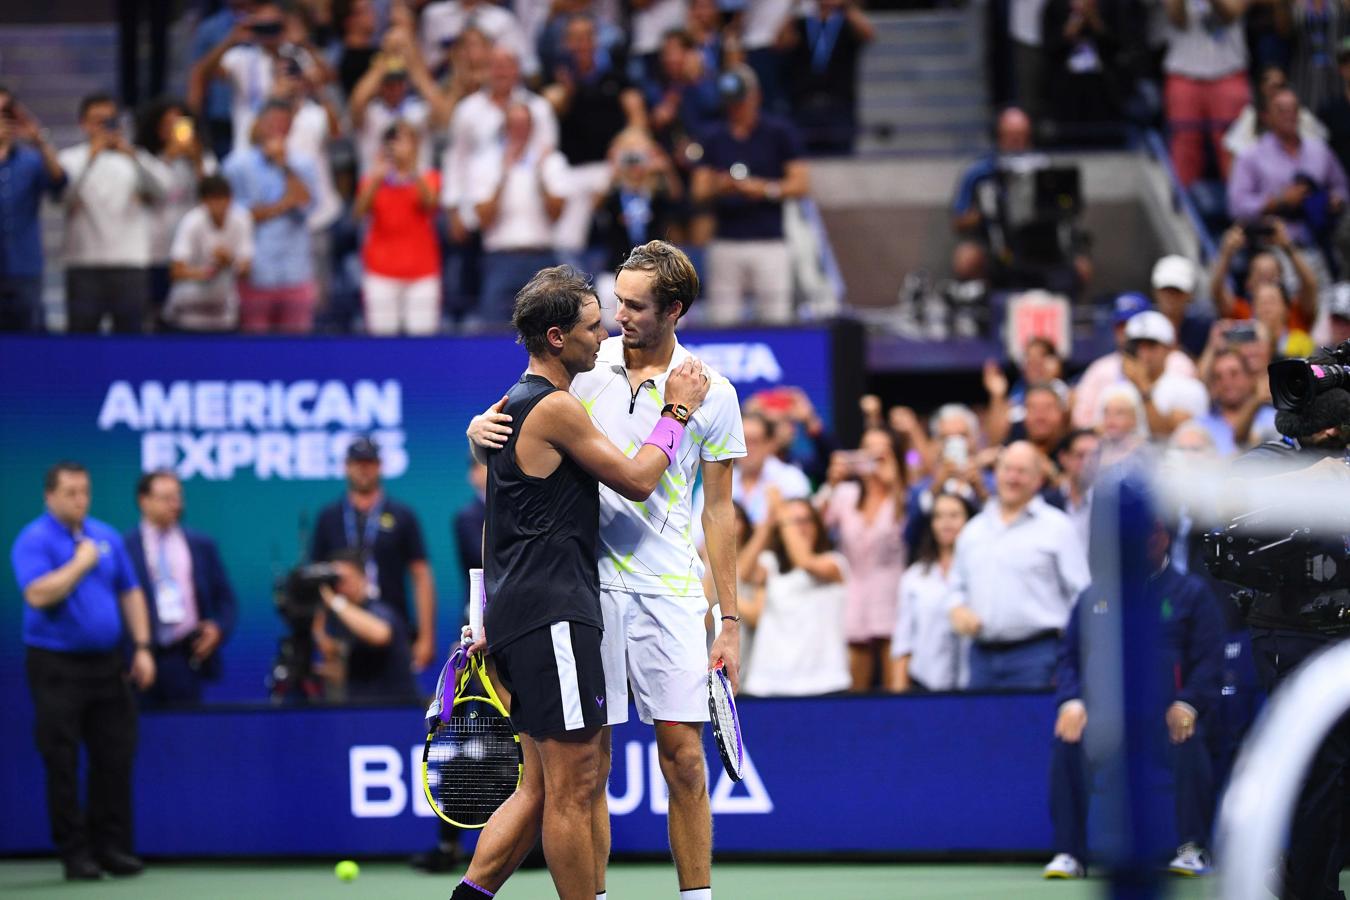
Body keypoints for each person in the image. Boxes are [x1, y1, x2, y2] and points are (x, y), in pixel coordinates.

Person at [467, 242, 745, 900]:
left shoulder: (712, 392)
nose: (619, 317)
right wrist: (475, 430)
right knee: (584, 772)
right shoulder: (584, 365)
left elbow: (719, 511)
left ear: (674, 310)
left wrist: (729, 619)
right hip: (584, 593)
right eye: (616, 302)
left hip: (668, 593)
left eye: (635, 305)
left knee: (683, 760)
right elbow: (513, 445)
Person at [1041, 521, 1225, 879]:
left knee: (1190, 738)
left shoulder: (1191, 593)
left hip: (1166, 717)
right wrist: (1071, 701)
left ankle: (1193, 848)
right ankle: (1069, 853)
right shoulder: (1093, 597)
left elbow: (1210, 660)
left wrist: (1188, 703)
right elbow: (1069, 658)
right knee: (1067, 742)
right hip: (1106, 720)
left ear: (1163, 538)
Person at [1226, 377, 1350, 900]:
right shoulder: (1270, 460)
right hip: (1290, 632)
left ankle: (1305, 876)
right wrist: (1308, 481)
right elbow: (1224, 506)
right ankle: (1307, 885)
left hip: (1342, 631)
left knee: (1337, 768)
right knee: (1322, 763)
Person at [11, 462, 155, 881]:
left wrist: (142, 647)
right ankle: (75, 853)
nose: (80, 500)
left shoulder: (106, 535)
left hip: (107, 664)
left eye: (85, 492)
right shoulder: (34, 539)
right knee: (61, 758)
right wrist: (80, 563)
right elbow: (37, 594)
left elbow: (129, 591)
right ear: (49, 496)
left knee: (115, 755)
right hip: (56, 665)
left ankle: (110, 846)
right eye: (70, 492)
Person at [947, 441, 1090, 690]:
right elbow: (955, 587)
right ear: (996, 474)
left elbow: (1082, 593)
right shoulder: (974, 530)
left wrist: (1075, 653)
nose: (1012, 478)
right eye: (1007, 469)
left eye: (1022, 471)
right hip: (981, 656)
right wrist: (957, 608)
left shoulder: (1057, 527)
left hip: (1039, 655)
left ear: (1038, 479)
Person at [691, 64, 810, 324]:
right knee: (722, 320)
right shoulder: (714, 135)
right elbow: (699, 189)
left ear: (755, 96)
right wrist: (721, 186)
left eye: (741, 101)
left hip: (769, 240)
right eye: (731, 102)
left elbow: (801, 184)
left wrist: (764, 189)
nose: (736, 108)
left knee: (776, 318)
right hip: (726, 240)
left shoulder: (778, 132)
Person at [310, 435, 437, 672]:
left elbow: (421, 576)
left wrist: (426, 637)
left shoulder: (402, 516)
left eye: (369, 463)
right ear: (346, 467)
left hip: (393, 625)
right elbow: (316, 582)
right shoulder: (329, 518)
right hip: (342, 629)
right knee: (344, 693)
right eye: (357, 463)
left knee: (396, 691)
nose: (363, 469)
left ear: (379, 466)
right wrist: (318, 632)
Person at [123, 470, 237, 706]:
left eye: (178, 497)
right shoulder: (125, 548)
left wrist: (218, 628)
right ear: (144, 501)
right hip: (141, 657)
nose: (175, 505)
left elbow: (225, 599)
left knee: (188, 724)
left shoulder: (201, 544)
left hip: (186, 657)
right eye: (166, 498)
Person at [59, 93, 169, 333]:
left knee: (130, 340)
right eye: (97, 121)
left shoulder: (134, 158)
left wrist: (131, 154)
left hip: (129, 263)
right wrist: (91, 156)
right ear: (83, 124)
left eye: (109, 120)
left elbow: (163, 189)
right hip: (83, 263)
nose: (104, 127)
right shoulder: (70, 159)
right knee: (81, 340)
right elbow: (63, 197)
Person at [221, 98, 320, 333]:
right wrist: (283, 204)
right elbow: (235, 218)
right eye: (272, 122)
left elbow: (305, 206)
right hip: (255, 272)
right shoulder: (236, 165)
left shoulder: (304, 165)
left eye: (283, 123)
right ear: (260, 124)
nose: (277, 128)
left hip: (296, 272)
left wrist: (284, 166)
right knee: (256, 349)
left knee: (297, 349)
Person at [821, 427, 907, 691]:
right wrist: (830, 485)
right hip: (854, 593)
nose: (873, 457)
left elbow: (909, 531)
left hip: (892, 594)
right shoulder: (845, 494)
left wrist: (895, 484)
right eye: (868, 450)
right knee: (855, 687)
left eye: (882, 452)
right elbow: (815, 526)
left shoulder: (903, 494)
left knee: (896, 687)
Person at [740, 493, 850, 696]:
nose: (801, 528)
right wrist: (768, 524)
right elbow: (743, 574)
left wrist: (783, 516)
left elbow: (804, 560)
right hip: (770, 683)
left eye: (807, 520)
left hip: (823, 682)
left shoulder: (834, 563)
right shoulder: (770, 564)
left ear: (818, 525)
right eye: (794, 522)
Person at [470, 102, 569, 322]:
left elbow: (557, 214)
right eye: (514, 125)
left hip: (541, 258)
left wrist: (540, 176)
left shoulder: (551, 160)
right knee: (492, 330)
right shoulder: (486, 163)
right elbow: (483, 219)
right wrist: (503, 174)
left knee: (549, 328)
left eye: (524, 125)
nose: (519, 131)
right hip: (500, 259)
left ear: (532, 128)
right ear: (505, 128)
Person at [354, 121, 443, 335]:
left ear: (416, 145)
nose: (399, 147)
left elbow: (430, 203)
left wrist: (412, 169)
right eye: (394, 141)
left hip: (422, 273)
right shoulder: (373, 179)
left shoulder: (429, 177)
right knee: (382, 341)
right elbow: (358, 214)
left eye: (405, 141)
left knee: (423, 340)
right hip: (381, 272)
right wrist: (377, 179)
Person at [889, 490, 975, 693]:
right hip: (925, 683)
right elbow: (903, 640)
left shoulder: (982, 572)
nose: (946, 523)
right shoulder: (915, 577)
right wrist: (899, 695)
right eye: (939, 516)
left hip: (974, 683)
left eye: (954, 515)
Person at [1161, 0, 1250, 186]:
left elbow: (1230, 14)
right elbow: (1177, 19)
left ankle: (1239, 200)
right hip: (1183, 72)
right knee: (1185, 144)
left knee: (1233, 144)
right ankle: (1181, 199)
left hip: (1228, 72)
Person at [313, 549, 419, 702]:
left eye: (343, 580)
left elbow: (381, 634)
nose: (338, 587)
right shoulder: (342, 619)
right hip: (361, 707)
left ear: (364, 578)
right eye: (333, 581)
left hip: (394, 709)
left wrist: (333, 601)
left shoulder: (379, 610)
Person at [0, 86, 66, 332]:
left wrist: (40, 140)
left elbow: (59, 183)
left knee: (30, 338)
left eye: (6, 112)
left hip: (24, 266)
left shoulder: (31, 159)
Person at [778, 0, 874, 156]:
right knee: (803, 158)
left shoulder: (847, 24)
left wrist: (846, 6)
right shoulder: (802, 24)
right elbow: (780, 43)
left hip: (839, 104)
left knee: (842, 158)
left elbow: (869, 35)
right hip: (804, 103)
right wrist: (794, 7)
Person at [164, 174, 254, 331]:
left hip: (223, 313)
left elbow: (246, 271)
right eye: (215, 199)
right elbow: (176, 271)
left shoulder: (242, 219)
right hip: (189, 312)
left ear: (231, 198)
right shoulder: (191, 222)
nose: (220, 205)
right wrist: (209, 270)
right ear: (204, 201)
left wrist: (229, 261)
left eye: (224, 199)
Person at [1118, 310, 1210, 440]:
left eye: (1151, 345)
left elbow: (1167, 436)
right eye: (1136, 346)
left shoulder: (1189, 388)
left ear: (1169, 348)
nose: (1143, 353)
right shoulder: (1117, 389)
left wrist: (1143, 388)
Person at [733, 412, 811, 523]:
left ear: (770, 444)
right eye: (741, 441)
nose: (746, 448)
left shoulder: (792, 478)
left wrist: (777, 513)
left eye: (754, 442)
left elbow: (803, 528)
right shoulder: (719, 481)